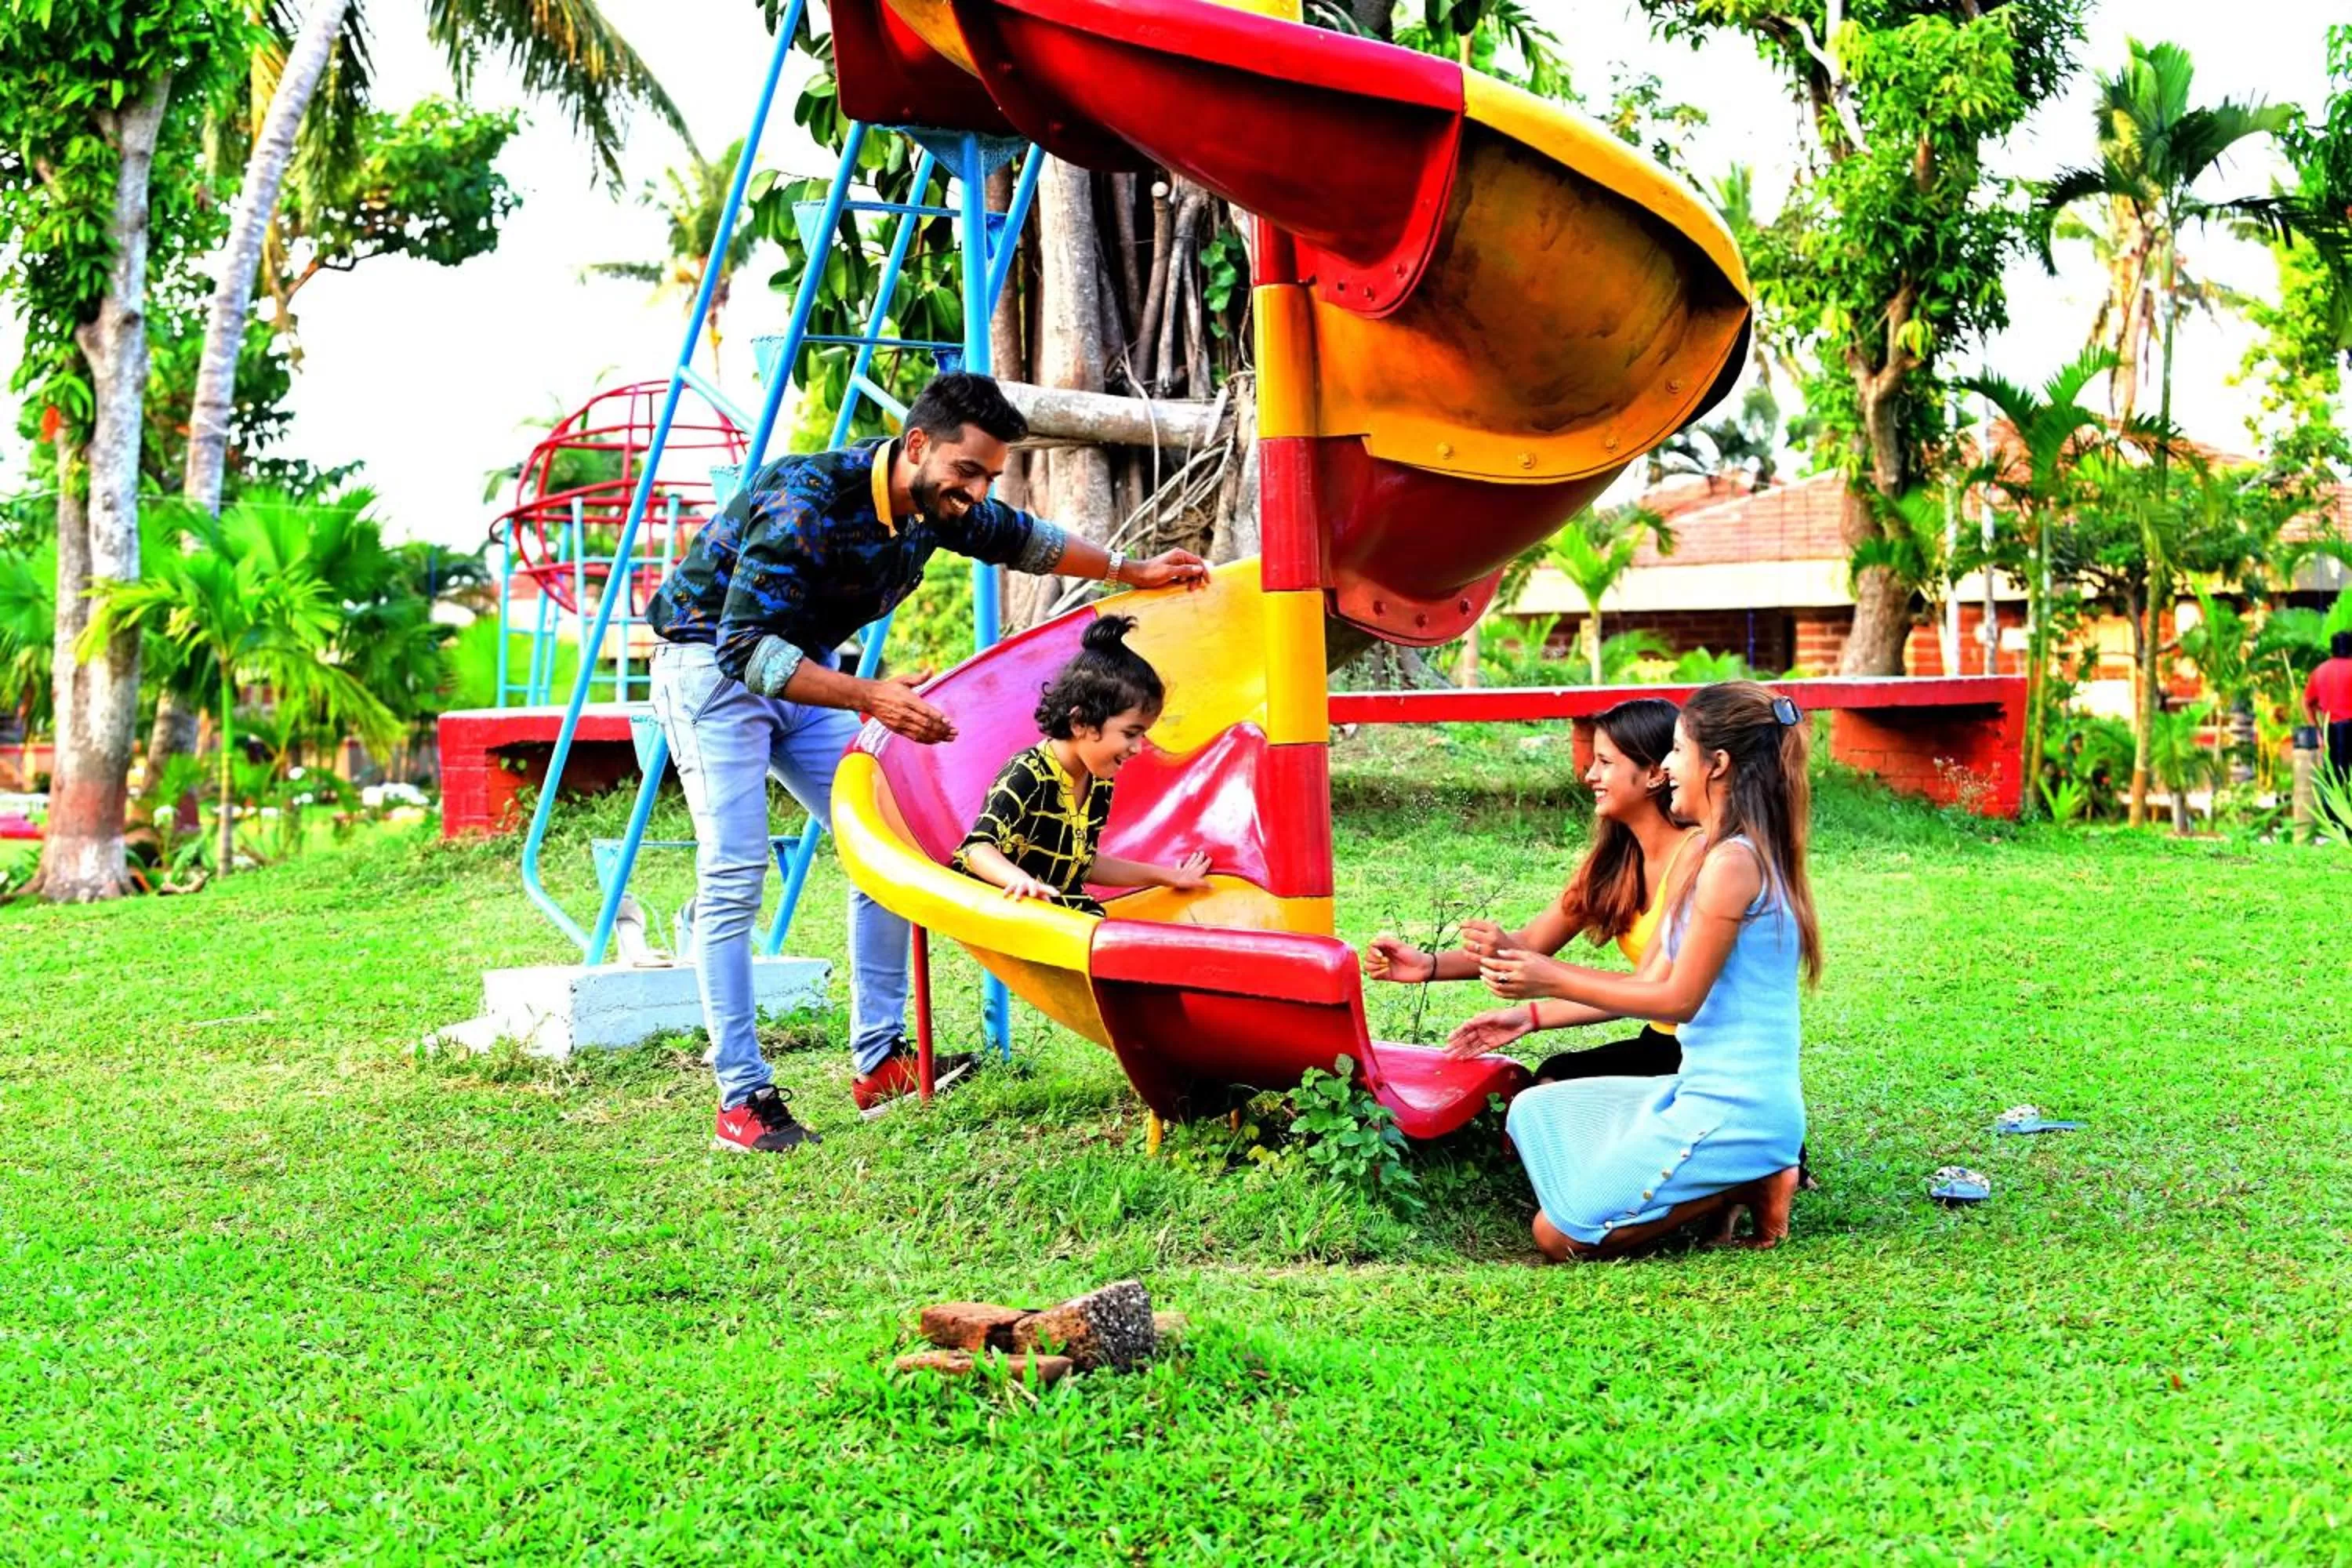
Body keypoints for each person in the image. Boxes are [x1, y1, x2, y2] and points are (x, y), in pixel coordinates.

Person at [643, 372, 1208, 1153]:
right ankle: (743, 1096)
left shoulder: (934, 508)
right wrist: (869, 694)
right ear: (917, 446)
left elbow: (1024, 539)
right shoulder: (804, 499)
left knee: (888, 841)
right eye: (966, 470)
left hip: (809, 669)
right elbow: (743, 648)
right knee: (736, 870)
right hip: (713, 667)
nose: (974, 491)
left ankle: (879, 1060)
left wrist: (1132, 571)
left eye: (987, 475)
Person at [1456, 681, 1820, 1260]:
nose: (1669, 766)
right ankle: (1723, 1174)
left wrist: (1547, 977)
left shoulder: (1733, 863)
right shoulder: (1711, 854)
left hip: (1738, 1108)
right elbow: (1645, 987)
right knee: (1533, 1108)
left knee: (1557, 1236)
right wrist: (1527, 1009)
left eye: (1677, 750)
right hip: (1692, 1089)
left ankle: (1750, 1177)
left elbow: (1676, 1000)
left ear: (1718, 764)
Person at [1363, 698, 1703, 1082]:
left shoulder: (1696, 854)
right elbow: (1530, 944)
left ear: (1655, 773)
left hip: (1701, 1052)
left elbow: (1651, 987)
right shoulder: (1614, 860)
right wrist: (1429, 965)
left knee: (1554, 1082)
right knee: (1551, 1079)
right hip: (1658, 1040)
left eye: (1605, 763)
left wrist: (1537, 1001)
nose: (1590, 776)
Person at [953, 615, 1213, 916]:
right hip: (1010, 910)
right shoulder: (1027, 775)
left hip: (1063, 911)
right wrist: (1020, 882)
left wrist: (1169, 876)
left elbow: (1082, 861)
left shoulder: (1099, 782)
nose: (1138, 748)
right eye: (1130, 733)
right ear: (1080, 723)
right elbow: (976, 849)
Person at [2304, 630, 2352, 786]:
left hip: (2332, 730)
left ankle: (2333, 810)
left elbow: (2306, 703)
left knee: (2335, 779)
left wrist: (2317, 731)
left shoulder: (2320, 671)